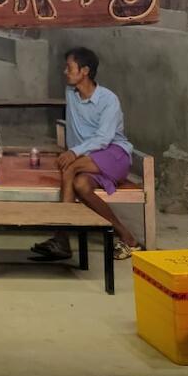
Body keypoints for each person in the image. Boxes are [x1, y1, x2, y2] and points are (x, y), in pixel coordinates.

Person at [31, 47, 142, 260]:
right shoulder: (71, 94)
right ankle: (127, 237)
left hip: (114, 155)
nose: (65, 72)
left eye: (69, 67)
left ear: (85, 71)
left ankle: (61, 238)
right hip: (89, 158)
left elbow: (103, 139)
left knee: (70, 167)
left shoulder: (108, 100)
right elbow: (75, 131)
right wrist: (73, 152)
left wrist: (74, 153)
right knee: (80, 184)